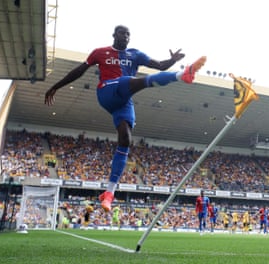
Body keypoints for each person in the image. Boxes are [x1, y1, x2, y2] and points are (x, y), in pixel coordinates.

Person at [45, 25, 206, 212]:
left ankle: (109, 194)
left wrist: (171, 59)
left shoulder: (135, 54)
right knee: (132, 82)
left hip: (123, 101)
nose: (126, 36)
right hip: (107, 90)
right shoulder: (100, 52)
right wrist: (56, 86)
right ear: (114, 35)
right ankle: (182, 75)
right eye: (123, 33)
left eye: (129, 34)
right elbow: (79, 71)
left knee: (126, 140)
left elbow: (160, 65)